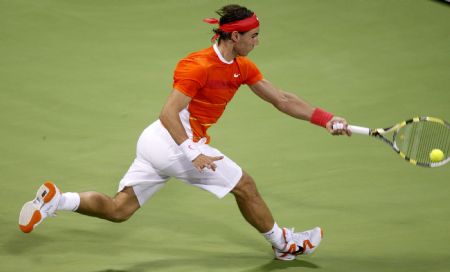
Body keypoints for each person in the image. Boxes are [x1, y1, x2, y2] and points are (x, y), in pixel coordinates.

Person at [18, 4, 351, 261]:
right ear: (235, 37)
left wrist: (326, 119)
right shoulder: (199, 65)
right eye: (254, 36)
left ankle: (57, 199)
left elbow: (282, 99)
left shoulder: (242, 67)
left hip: (155, 142)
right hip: (173, 140)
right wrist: (192, 150)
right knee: (244, 186)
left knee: (120, 210)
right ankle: (284, 244)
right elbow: (168, 113)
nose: (257, 41)